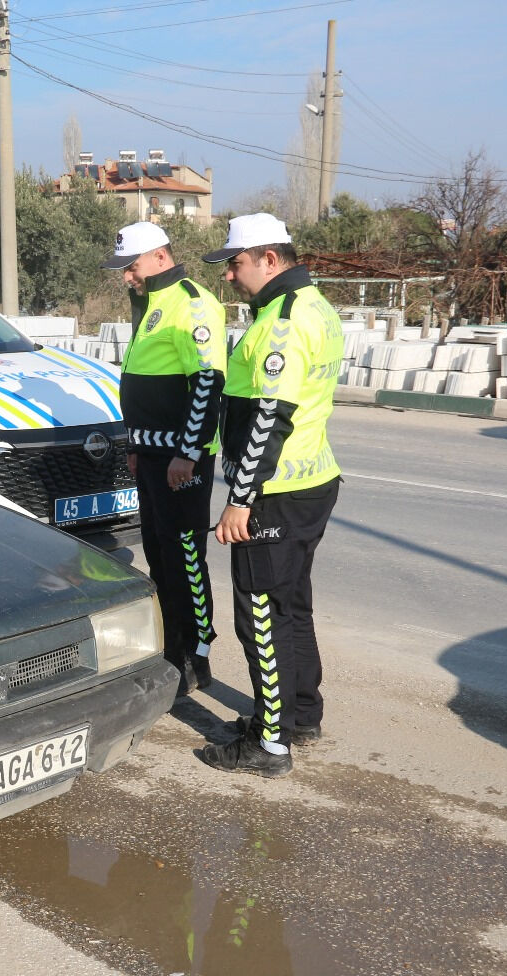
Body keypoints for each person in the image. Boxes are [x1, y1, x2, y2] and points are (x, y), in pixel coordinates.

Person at [196, 213, 343, 778]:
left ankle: (271, 742)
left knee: (260, 616)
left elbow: (269, 421)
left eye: (235, 263)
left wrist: (240, 498)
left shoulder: (282, 322)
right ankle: (300, 714)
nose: (230, 276)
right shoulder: (316, 306)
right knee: (291, 607)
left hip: (275, 492)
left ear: (270, 259)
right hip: (311, 483)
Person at [103, 221, 226, 697]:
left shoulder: (193, 303)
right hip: (152, 453)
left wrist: (188, 453)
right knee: (158, 550)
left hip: (181, 459)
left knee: (186, 557)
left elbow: (207, 383)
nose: (126, 277)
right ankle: (170, 644)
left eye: (130, 267)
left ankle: (196, 654)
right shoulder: (152, 302)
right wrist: (136, 446)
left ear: (158, 257)